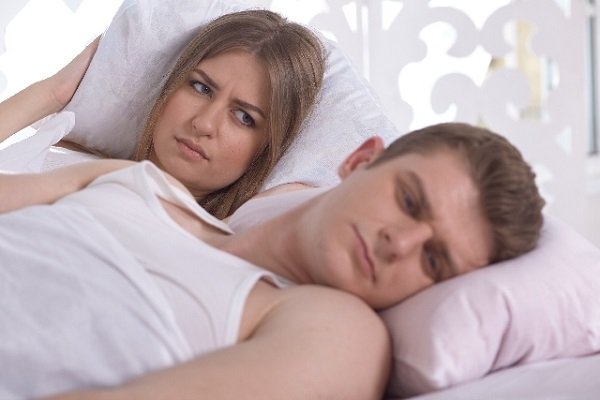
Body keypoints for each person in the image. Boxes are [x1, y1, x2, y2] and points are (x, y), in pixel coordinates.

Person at [0, 122, 544, 399]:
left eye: (435, 260)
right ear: (361, 160)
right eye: (408, 201)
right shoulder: (136, 181)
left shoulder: (337, 331)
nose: (398, 244)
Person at [0, 9, 325, 219]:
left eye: (244, 117)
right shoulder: (66, 158)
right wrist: (53, 93)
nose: (204, 123)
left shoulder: (209, 246)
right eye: (201, 87)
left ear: (268, 148)